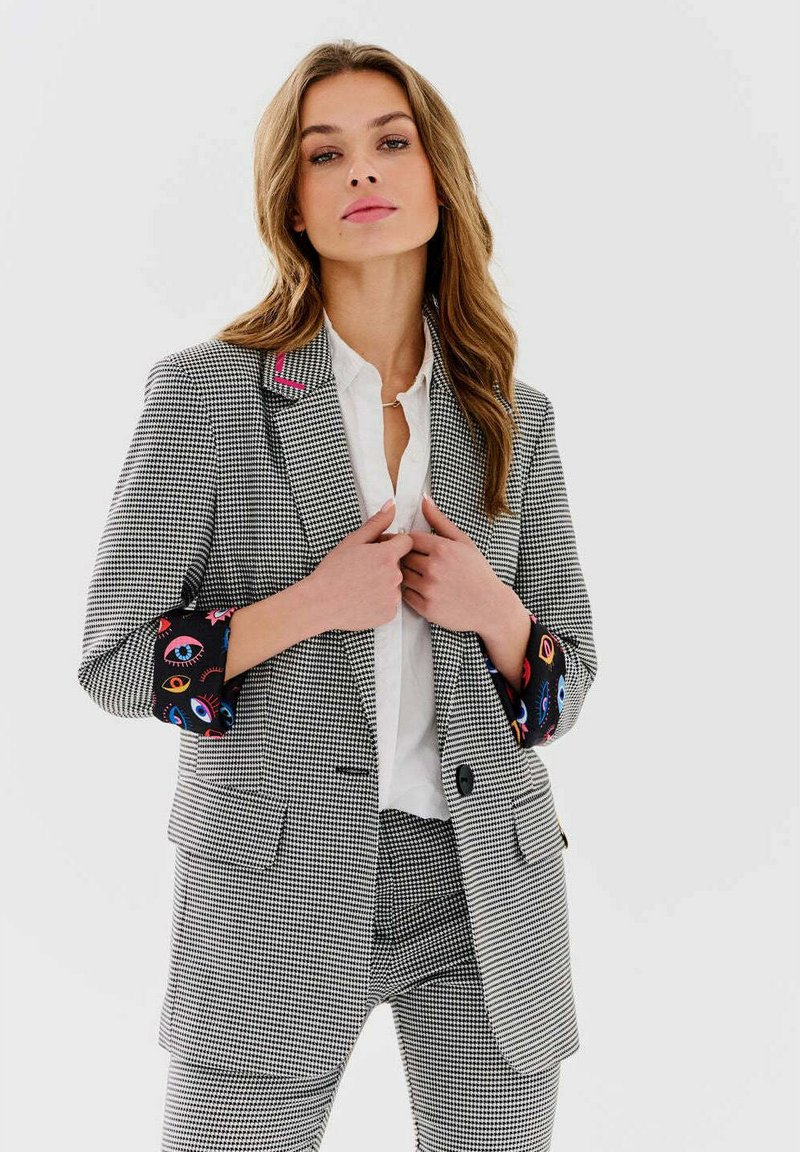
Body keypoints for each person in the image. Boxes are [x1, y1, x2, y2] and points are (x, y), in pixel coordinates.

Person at [77, 39, 598, 1152]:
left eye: (390, 142)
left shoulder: (513, 414)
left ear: (438, 178)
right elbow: (115, 661)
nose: (362, 169)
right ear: (293, 202)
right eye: (326, 153)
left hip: (484, 890)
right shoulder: (206, 395)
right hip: (274, 885)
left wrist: (491, 611)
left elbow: (567, 686)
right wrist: (309, 604)